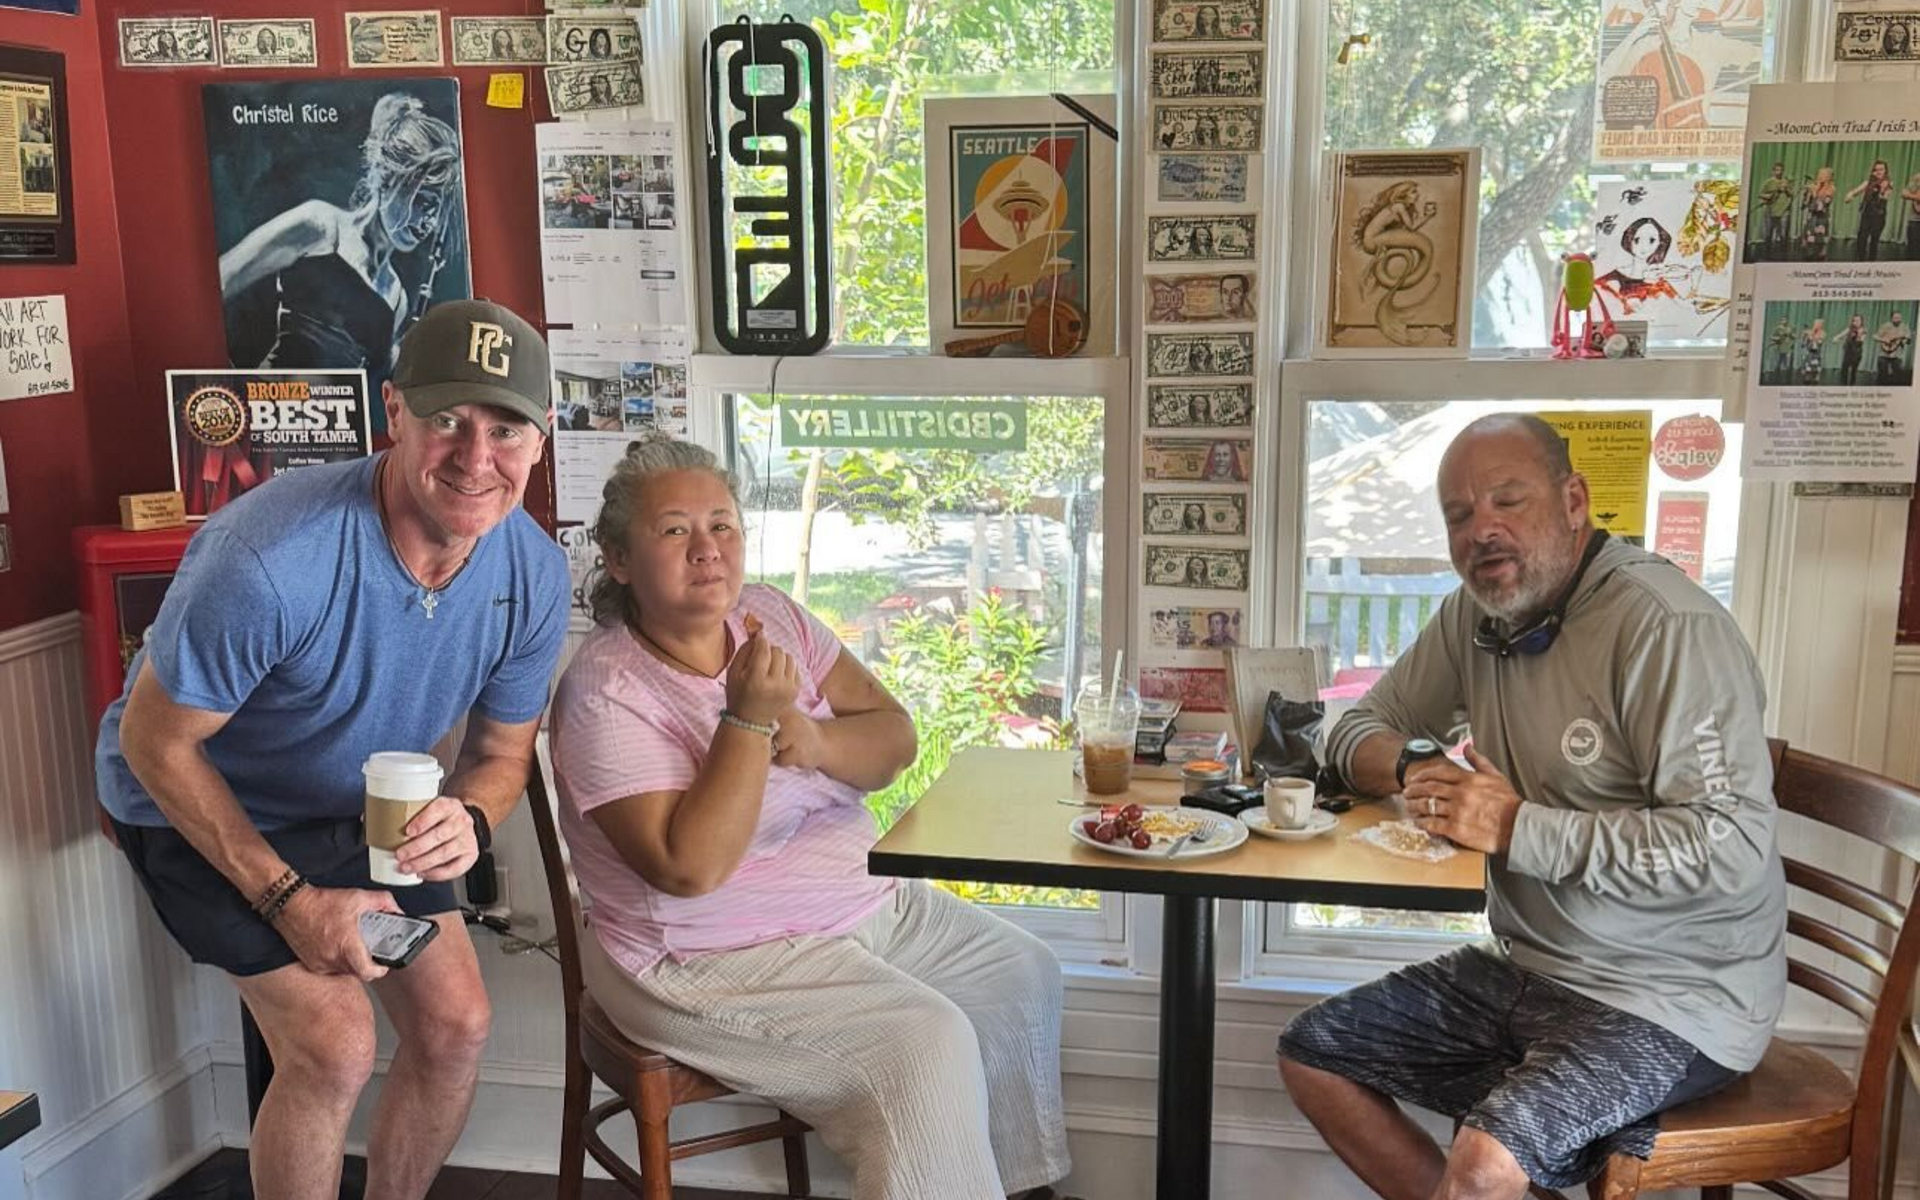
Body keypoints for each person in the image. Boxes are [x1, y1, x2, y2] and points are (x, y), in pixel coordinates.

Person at [94, 300, 571, 1200]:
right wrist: (291, 900)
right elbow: (154, 742)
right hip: (192, 803)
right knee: (335, 1045)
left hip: (352, 807)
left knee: (458, 1027)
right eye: (446, 421)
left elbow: (503, 755)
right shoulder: (271, 555)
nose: (476, 458)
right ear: (394, 411)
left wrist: (471, 819)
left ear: (541, 438)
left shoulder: (535, 574)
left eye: (506, 430)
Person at [549, 438, 1074, 1200]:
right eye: (674, 530)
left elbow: (895, 740)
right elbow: (689, 869)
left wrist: (821, 742)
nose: (707, 549)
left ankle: (1009, 1188)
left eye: (722, 525)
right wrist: (747, 721)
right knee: (926, 1044)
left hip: (858, 905)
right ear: (619, 559)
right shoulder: (604, 693)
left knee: (1020, 973)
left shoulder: (770, 616)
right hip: (703, 958)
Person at [1277, 413, 1784, 1199]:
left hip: (1678, 995)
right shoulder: (1475, 614)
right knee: (1315, 1054)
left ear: (1574, 500)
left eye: (1508, 502)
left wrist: (1517, 827)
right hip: (1531, 966)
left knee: (1484, 1164)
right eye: (1459, 515)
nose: (1482, 530)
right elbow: (1354, 729)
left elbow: (1732, 847)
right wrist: (1416, 764)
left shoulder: (1667, 627)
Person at [218, 92, 461, 400]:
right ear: (385, 179)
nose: (429, 221)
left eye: (435, 209)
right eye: (422, 201)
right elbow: (222, 277)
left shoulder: (397, 298)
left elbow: (376, 389)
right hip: (268, 411)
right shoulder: (320, 226)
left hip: (333, 428)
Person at [1594, 216, 1679, 312]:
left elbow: (1683, 303)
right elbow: (1597, 289)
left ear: (1660, 243)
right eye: (1637, 240)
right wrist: (1623, 300)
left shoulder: (1658, 281)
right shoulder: (1617, 275)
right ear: (1629, 239)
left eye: (1651, 240)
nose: (1644, 246)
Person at [1847, 159, 1893, 260]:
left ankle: (1871, 262)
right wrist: (1850, 195)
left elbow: (1884, 197)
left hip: (1878, 215)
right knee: (1862, 238)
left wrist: (1881, 188)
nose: (1879, 172)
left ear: (1885, 171)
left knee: (1874, 241)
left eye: (1881, 169)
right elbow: (1856, 191)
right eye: (1876, 170)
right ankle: (1861, 260)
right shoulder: (1868, 182)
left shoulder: (1888, 183)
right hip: (1867, 214)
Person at [1756, 162, 1793, 259]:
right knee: (1768, 233)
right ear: (1773, 171)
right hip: (1771, 209)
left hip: (1784, 210)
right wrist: (1769, 195)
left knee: (1783, 233)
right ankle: (1767, 253)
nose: (1779, 172)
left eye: (1781, 170)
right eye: (1777, 170)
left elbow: (1792, 194)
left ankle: (1783, 254)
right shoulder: (1769, 182)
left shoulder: (1786, 181)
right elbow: (1760, 194)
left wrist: (1786, 188)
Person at [1803, 167, 1836, 261]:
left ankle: (1822, 253)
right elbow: (1806, 203)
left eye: (1822, 175)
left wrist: (1814, 192)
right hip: (1812, 215)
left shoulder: (1831, 188)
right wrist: (1807, 193)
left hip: (1822, 216)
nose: (1819, 177)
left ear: (1828, 177)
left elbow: (1823, 204)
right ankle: (1809, 253)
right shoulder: (1816, 186)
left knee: (1821, 236)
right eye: (1819, 174)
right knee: (1810, 235)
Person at [1877, 310, 1911, 385]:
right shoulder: (1885, 326)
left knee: (1898, 377)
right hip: (1883, 354)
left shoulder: (1905, 327)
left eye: (1899, 318)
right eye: (1895, 318)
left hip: (1897, 355)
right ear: (1891, 318)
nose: (1898, 319)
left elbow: (1908, 341)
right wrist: (1884, 340)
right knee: (1882, 377)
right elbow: (1875, 336)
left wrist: (1905, 340)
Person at [1768, 314, 1797, 382]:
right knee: (1780, 360)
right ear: (1780, 321)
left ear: (1787, 321)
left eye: (1785, 320)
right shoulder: (1778, 328)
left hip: (1788, 346)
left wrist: (1792, 335)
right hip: (1781, 346)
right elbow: (1771, 336)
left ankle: (1786, 377)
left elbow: (1794, 336)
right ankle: (1777, 377)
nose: (1784, 321)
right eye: (1782, 320)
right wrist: (1777, 339)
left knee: (1786, 361)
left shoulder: (1789, 328)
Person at [1841, 312, 1867, 386]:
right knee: (1844, 369)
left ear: (1861, 322)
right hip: (1848, 352)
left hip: (1856, 353)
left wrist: (1858, 335)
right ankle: (1843, 386)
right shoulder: (1850, 329)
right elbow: (1842, 334)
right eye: (1854, 320)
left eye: (1858, 320)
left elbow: (1861, 340)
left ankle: (1852, 386)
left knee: (1853, 371)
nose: (1855, 322)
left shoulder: (1863, 330)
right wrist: (1836, 338)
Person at [1800, 316, 1826, 385]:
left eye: (1819, 324)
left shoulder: (1822, 332)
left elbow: (1820, 341)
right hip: (1810, 351)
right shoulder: (1810, 332)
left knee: (1816, 366)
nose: (1817, 325)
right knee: (1808, 365)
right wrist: (1804, 337)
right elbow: (1804, 341)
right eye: (1816, 324)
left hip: (1817, 352)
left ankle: (1816, 378)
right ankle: (1807, 378)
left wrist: (1812, 336)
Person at [1901, 173, 1920, 260]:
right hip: (1915, 221)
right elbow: (1903, 193)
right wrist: (1916, 197)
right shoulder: (1917, 179)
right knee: (1913, 251)